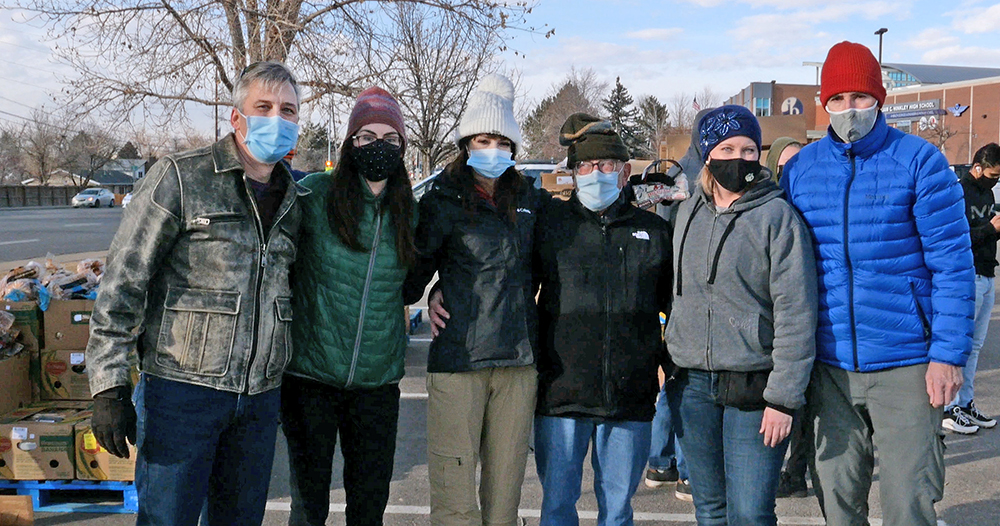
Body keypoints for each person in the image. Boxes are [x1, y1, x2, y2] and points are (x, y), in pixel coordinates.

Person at [85, 61, 306, 525]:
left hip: (259, 402)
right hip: (182, 394)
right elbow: (123, 280)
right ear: (236, 117)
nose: (277, 119)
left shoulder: (294, 200)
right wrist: (108, 384)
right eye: (263, 107)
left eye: (288, 110)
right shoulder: (182, 178)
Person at [780, 41, 975, 526]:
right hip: (829, 367)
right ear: (825, 103)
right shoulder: (801, 169)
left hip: (907, 362)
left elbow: (952, 265)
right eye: (839, 99)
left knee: (909, 501)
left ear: (880, 98)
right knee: (837, 500)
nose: (850, 109)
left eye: (860, 97)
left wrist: (948, 355)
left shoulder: (920, 162)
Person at [403, 73, 549, 526]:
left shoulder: (529, 198)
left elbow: (551, 270)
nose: (492, 149)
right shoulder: (442, 199)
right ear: (466, 143)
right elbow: (411, 278)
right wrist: (430, 295)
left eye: (501, 141)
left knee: (504, 496)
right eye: (483, 139)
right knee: (454, 492)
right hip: (458, 361)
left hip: (517, 362)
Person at [666, 104, 818, 525]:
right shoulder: (686, 213)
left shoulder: (778, 217)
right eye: (728, 147)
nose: (739, 159)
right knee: (710, 509)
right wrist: (669, 355)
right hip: (693, 384)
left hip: (755, 387)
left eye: (750, 150)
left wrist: (784, 399)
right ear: (708, 153)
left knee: (750, 513)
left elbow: (796, 312)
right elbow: (676, 294)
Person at [280, 87, 415, 526]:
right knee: (308, 507)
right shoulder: (315, 196)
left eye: (389, 138)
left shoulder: (411, 213)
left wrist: (438, 292)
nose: (378, 146)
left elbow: (430, 272)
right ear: (350, 143)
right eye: (366, 135)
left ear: (402, 148)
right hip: (311, 378)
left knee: (368, 507)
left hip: (377, 383)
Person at [531, 113, 672, 526]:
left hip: (630, 397)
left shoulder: (652, 231)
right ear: (573, 174)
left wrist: (665, 363)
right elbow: (515, 286)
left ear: (625, 172)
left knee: (617, 511)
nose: (596, 173)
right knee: (557, 506)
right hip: (561, 396)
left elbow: (674, 305)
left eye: (606, 165)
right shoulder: (552, 226)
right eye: (586, 166)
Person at [942, 142, 1000, 434]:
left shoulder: (988, 193)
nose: (996, 180)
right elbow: (959, 237)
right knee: (960, 344)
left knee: (976, 346)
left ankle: (965, 403)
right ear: (977, 167)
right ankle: (949, 407)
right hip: (969, 274)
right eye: (992, 174)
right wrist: (991, 229)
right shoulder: (959, 192)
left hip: (988, 273)